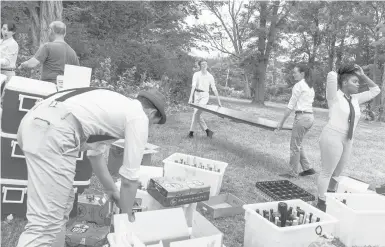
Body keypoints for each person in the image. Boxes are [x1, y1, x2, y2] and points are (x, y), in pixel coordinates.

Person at [16, 87, 167, 247]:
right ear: (151, 113)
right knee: (45, 225)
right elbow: (129, 180)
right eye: (154, 124)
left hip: (35, 121)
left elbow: (95, 155)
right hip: (55, 129)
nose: (150, 127)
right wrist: (126, 220)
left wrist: (112, 191)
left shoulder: (116, 105)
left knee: (61, 206)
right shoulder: (139, 117)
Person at [316, 64, 380, 212]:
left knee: (337, 172)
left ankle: (330, 197)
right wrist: (340, 69)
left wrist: (362, 75)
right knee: (327, 171)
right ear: (344, 83)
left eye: (358, 82)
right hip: (332, 135)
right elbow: (332, 77)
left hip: (348, 139)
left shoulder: (356, 99)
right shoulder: (334, 96)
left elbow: (375, 90)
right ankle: (321, 202)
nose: (358, 85)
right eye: (354, 81)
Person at [276, 64, 316, 178]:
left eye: (295, 72)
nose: (293, 74)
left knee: (294, 146)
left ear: (302, 74)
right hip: (310, 118)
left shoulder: (299, 85)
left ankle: (293, 173)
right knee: (298, 144)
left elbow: (290, 106)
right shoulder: (309, 86)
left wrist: (281, 122)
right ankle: (308, 169)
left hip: (302, 118)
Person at [188, 60, 222, 138]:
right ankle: (208, 131)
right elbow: (193, 86)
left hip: (205, 96)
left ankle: (191, 133)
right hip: (196, 95)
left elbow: (214, 89)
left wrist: (219, 101)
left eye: (205, 64)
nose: (204, 65)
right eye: (202, 64)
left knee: (196, 113)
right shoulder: (196, 74)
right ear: (200, 66)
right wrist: (190, 98)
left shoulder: (210, 76)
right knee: (197, 114)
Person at [1, 22, 19, 96]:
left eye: (8, 30)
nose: (5, 32)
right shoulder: (1, 41)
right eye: (4, 29)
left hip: (7, 74)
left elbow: (7, 61)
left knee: (3, 100)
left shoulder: (13, 44)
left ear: (13, 32)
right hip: (1, 73)